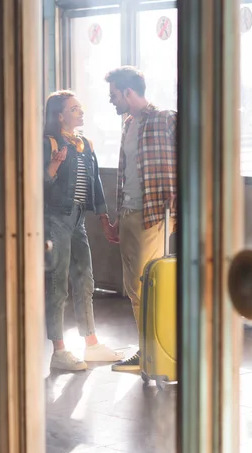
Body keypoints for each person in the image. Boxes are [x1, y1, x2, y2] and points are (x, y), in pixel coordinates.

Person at [44, 90, 124, 371]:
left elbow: (96, 183)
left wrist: (104, 218)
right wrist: (53, 164)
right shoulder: (49, 142)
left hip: (78, 219)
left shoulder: (85, 144)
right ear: (60, 115)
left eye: (80, 107)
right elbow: (36, 185)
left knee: (85, 280)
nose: (80, 112)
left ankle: (91, 343)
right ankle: (58, 349)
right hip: (55, 218)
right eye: (74, 108)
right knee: (58, 284)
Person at [105, 67, 177, 372]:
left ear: (127, 92)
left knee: (146, 284)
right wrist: (119, 217)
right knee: (134, 288)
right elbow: (127, 175)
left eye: (113, 95)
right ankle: (148, 352)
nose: (111, 101)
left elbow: (193, 155)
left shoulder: (165, 119)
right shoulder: (128, 124)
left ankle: (156, 353)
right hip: (130, 213)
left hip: (153, 215)